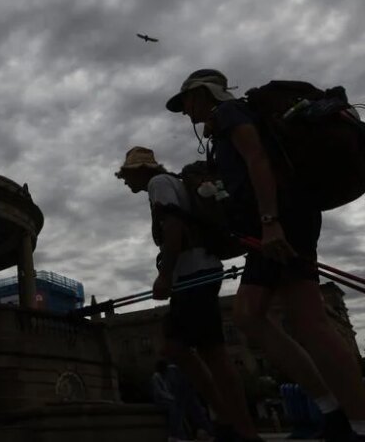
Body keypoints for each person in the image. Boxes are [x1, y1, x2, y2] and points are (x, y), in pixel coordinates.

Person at [166, 69, 365, 442]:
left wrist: (271, 221)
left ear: (203, 93)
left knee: (308, 321)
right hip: (265, 228)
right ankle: (333, 411)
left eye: (186, 101)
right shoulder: (221, 130)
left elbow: (257, 159)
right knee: (248, 315)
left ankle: (357, 422)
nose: (185, 111)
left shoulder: (230, 114)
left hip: (282, 220)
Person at [117, 146, 260, 441]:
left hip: (194, 274)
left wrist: (165, 274)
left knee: (198, 351)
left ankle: (237, 427)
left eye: (126, 175)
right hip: (199, 272)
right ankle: (229, 422)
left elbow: (173, 225)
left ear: (140, 171)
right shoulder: (171, 183)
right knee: (193, 350)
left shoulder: (158, 184)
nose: (124, 180)